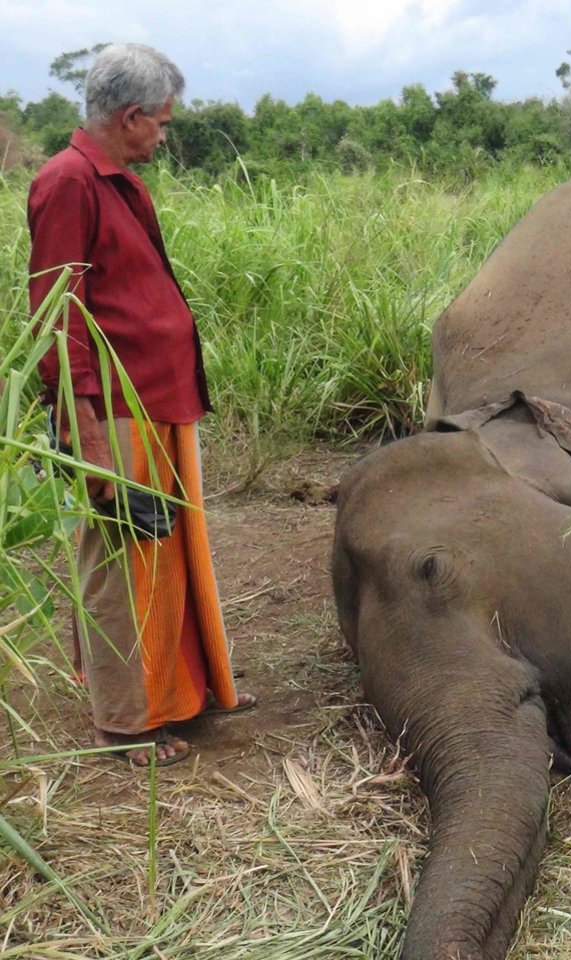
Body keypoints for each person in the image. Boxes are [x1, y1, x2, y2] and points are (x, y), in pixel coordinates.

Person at [28, 43, 254, 767]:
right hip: (115, 411)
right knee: (118, 558)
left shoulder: (119, 179)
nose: (163, 133)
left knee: (164, 557)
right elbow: (58, 318)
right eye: (160, 122)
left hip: (155, 398)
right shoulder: (68, 182)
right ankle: (123, 721)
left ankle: (175, 694)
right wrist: (88, 445)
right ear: (129, 118)